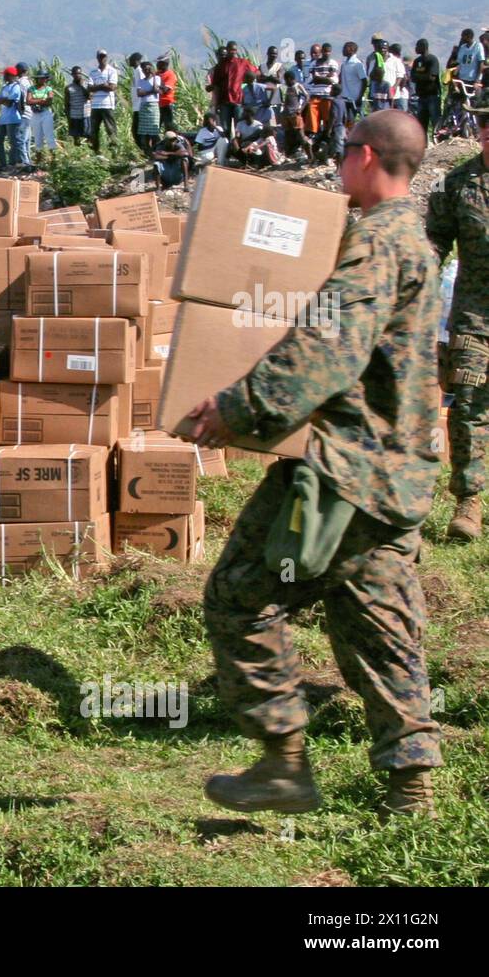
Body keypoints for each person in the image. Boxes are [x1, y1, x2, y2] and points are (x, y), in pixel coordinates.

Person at [185, 109, 443, 820]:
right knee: (376, 618)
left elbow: (327, 349)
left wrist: (239, 408)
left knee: (239, 593)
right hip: (400, 470)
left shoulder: (374, 246)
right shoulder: (413, 240)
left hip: (344, 474)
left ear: (363, 157)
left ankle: (282, 763)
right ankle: (410, 784)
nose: (336, 165)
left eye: (341, 153)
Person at [427, 89, 489, 541]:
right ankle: (469, 501)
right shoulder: (457, 183)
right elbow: (435, 241)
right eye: (483, 123)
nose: (487, 131)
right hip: (475, 314)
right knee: (468, 405)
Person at [209, 41, 255, 138]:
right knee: (225, 129)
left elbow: (255, 72)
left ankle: (238, 149)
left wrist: (249, 79)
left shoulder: (242, 63)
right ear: (227, 49)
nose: (233, 52)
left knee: (239, 128)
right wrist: (216, 104)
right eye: (231, 50)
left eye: (234, 50)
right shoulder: (220, 66)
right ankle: (227, 150)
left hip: (238, 100)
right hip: (224, 102)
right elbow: (215, 85)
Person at [411, 38, 444, 139]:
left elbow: (432, 77)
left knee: (436, 122)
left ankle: (438, 143)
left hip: (432, 96)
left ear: (424, 47)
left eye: (417, 46)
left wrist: (419, 77)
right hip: (421, 97)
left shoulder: (432, 59)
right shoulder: (417, 61)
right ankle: (423, 145)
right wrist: (423, 76)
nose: (415, 48)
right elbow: (412, 77)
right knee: (421, 124)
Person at [88, 50, 119, 152]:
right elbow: (89, 88)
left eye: (104, 56)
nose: (102, 58)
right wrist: (102, 85)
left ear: (106, 57)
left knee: (110, 129)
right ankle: (96, 151)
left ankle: (114, 150)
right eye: (100, 57)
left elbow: (112, 87)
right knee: (94, 130)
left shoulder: (112, 71)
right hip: (95, 106)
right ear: (97, 58)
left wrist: (97, 87)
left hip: (107, 105)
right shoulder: (93, 72)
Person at [307, 43, 339, 133]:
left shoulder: (333, 63)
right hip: (315, 94)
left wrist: (319, 78)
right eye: (324, 51)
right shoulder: (314, 63)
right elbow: (313, 79)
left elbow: (332, 80)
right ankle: (313, 135)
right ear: (321, 51)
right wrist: (325, 78)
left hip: (327, 95)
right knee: (312, 119)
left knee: (327, 119)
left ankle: (326, 136)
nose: (326, 53)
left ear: (331, 52)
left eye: (328, 52)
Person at [0, 65, 23, 166]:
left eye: (5, 75)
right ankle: (2, 164)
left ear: (11, 76)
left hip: (13, 119)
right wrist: (4, 100)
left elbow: (9, 103)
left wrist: (3, 100)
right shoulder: (5, 87)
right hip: (3, 119)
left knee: (13, 142)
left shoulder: (16, 88)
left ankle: (13, 163)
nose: (4, 77)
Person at [281, 68, 310, 160]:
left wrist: (301, 109)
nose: (286, 81)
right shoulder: (284, 87)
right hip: (286, 114)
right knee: (288, 134)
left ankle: (308, 154)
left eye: (286, 79)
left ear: (290, 78)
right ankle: (288, 154)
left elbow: (307, 97)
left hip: (295, 114)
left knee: (300, 133)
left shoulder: (297, 86)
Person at [135, 61, 162, 153]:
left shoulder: (157, 78)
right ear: (142, 70)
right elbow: (139, 93)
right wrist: (150, 92)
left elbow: (156, 89)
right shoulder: (141, 81)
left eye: (148, 69)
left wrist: (153, 76)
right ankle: (147, 151)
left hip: (153, 105)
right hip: (144, 106)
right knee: (144, 132)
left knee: (154, 131)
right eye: (145, 69)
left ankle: (155, 150)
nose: (147, 71)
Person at [27, 69, 56, 152]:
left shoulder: (48, 89)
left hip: (45, 114)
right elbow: (28, 101)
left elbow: (50, 100)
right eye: (40, 78)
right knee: (37, 137)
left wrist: (35, 100)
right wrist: (42, 100)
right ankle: (39, 158)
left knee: (49, 136)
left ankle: (53, 157)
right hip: (35, 115)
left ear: (46, 79)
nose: (42, 80)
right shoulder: (31, 88)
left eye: (44, 78)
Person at [340, 41, 368, 120]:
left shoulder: (357, 64)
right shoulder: (344, 64)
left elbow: (364, 81)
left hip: (354, 98)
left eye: (345, 48)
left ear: (351, 50)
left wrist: (360, 96)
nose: (343, 50)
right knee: (345, 119)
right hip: (344, 97)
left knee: (352, 120)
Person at [65, 65, 91, 146]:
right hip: (74, 115)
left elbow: (89, 97)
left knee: (88, 135)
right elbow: (67, 103)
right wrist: (68, 116)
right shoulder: (68, 88)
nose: (77, 75)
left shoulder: (87, 84)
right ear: (72, 75)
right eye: (75, 74)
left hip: (86, 114)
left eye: (79, 73)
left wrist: (82, 86)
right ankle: (77, 153)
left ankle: (90, 153)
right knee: (76, 137)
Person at [367, 34, 392, 111]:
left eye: (379, 42)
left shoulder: (391, 58)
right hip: (375, 87)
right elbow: (369, 73)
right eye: (375, 42)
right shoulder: (371, 57)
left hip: (387, 87)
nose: (377, 44)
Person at [157, 55, 179, 134]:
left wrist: (157, 85)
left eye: (159, 63)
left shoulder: (170, 75)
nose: (157, 65)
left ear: (165, 64)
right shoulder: (157, 74)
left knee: (169, 126)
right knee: (156, 126)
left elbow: (166, 90)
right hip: (158, 104)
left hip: (167, 104)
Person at [128, 52, 145, 151]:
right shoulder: (135, 71)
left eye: (131, 59)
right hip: (136, 105)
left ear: (136, 61)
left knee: (136, 130)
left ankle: (144, 149)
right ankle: (143, 149)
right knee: (136, 130)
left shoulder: (140, 71)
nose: (129, 61)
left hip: (140, 106)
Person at [389, 45, 411, 114]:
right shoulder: (398, 62)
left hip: (400, 94)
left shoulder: (396, 61)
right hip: (398, 93)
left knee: (401, 115)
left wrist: (400, 88)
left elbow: (404, 78)